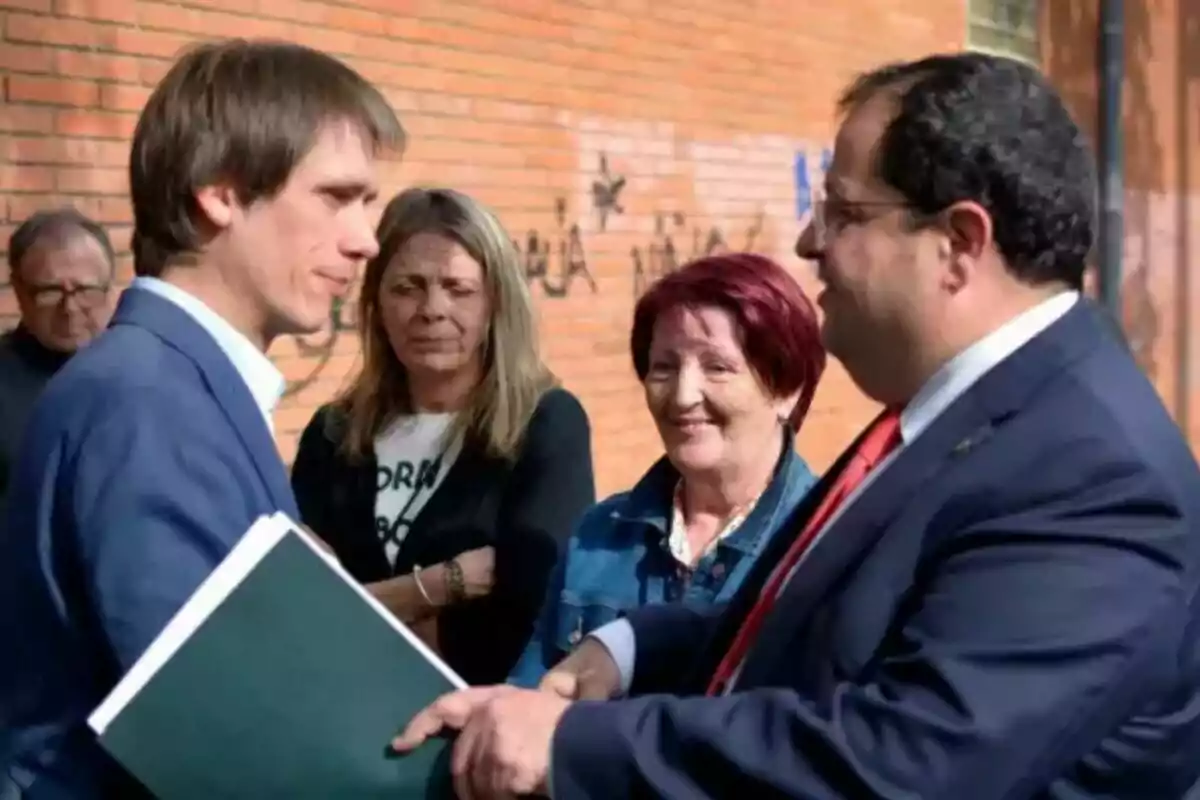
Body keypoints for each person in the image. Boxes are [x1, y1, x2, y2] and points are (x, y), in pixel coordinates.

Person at [393, 52, 1200, 799]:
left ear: (958, 243)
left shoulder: (1091, 476)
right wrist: (632, 646)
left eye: (844, 212)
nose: (811, 241)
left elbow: (904, 762)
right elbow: (812, 638)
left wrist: (571, 746)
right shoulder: (960, 416)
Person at [0, 39, 404, 799]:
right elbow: (231, 748)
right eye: (336, 197)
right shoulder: (146, 403)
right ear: (220, 191)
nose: (365, 239)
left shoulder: (165, 385)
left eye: (370, 204)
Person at [290, 186, 595, 686]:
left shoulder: (545, 424)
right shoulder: (333, 435)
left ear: (495, 304)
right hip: (339, 721)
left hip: (475, 739)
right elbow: (297, 610)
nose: (431, 309)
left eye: (458, 288)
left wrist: (357, 607)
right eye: (407, 287)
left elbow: (531, 619)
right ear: (376, 303)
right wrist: (436, 587)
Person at [508, 252, 825, 688]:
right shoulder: (599, 534)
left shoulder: (823, 544)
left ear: (787, 389)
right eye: (664, 367)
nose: (682, 395)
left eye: (717, 367)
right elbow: (525, 699)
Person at [0, 208, 116, 517]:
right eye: (50, 292)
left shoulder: (137, 376)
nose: (70, 308)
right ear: (20, 291)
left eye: (86, 290)